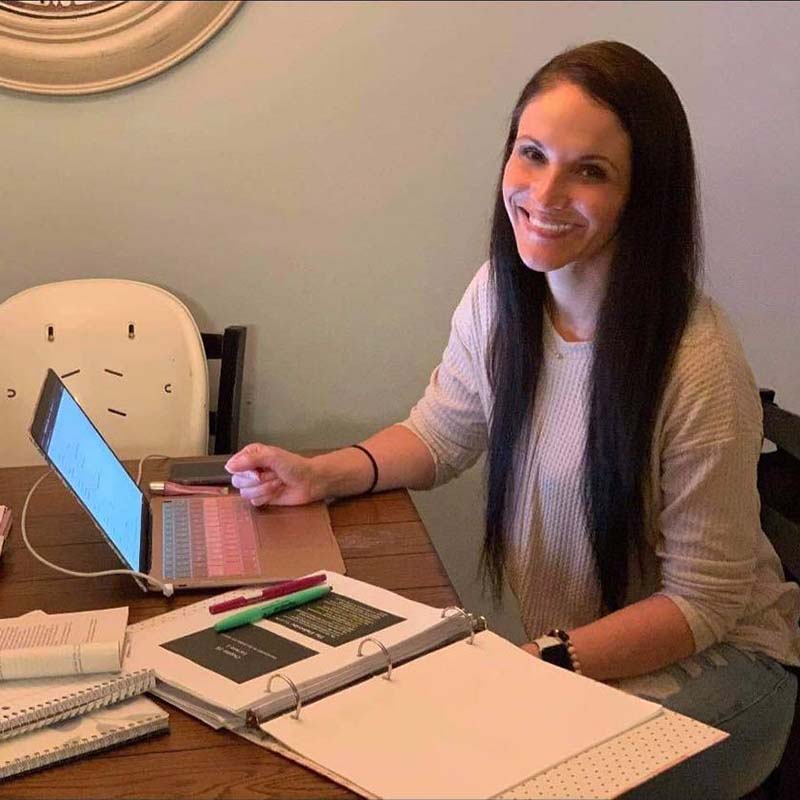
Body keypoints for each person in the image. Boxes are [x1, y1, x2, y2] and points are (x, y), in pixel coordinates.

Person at [226, 41, 799, 798]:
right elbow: (441, 432)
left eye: (590, 171)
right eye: (532, 154)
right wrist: (321, 473)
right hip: (578, 659)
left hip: (725, 673)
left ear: (644, 194)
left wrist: (540, 663)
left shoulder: (698, 361)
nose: (545, 191)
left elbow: (703, 602)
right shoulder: (503, 294)